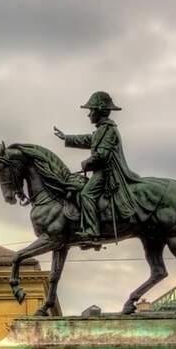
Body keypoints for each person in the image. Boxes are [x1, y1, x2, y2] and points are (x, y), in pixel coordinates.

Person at [54, 91, 150, 241]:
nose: (89, 114)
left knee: (86, 194)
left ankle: (92, 230)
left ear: (99, 111)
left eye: (91, 110)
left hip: (107, 173)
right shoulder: (103, 129)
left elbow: (102, 155)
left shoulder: (108, 130)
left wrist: (85, 163)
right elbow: (89, 140)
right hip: (103, 171)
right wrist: (66, 137)